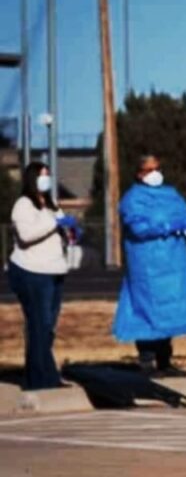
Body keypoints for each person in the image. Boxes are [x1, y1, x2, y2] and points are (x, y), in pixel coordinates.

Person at [113, 154, 186, 378]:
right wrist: (167, 226)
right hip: (148, 263)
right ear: (140, 174)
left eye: (157, 168)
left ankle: (165, 359)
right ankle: (147, 360)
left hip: (174, 262)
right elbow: (139, 228)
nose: (155, 173)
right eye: (150, 169)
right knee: (148, 308)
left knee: (170, 309)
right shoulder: (133, 198)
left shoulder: (171, 194)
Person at [7, 162, 79, 390]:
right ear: (31, 178)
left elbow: (59, 230)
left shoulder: (50, 204)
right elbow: (27, 235)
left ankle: (47, 373)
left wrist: (70, 231)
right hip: (31, 271)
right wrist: (54, 222)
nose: (45, 179)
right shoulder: (23, 205)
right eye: (41, 175)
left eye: (48, 175)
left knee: (48, 326)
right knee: (38, 324)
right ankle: (38, 378)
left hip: (54, 269)